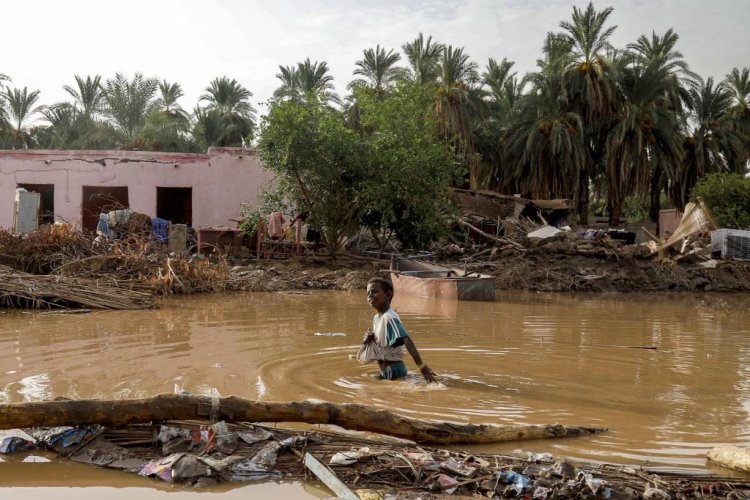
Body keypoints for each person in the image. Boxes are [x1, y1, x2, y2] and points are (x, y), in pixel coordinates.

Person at [357, 277, 437, 382]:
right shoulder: (377, 318)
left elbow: (406, 339)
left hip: (394, 370)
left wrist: (422, 367)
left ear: (388, 295)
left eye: (375, 292)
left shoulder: (389, 317)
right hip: (386, 370)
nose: (370, 296)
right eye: (368, 293)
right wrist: (370, 338)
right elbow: (383, 344)